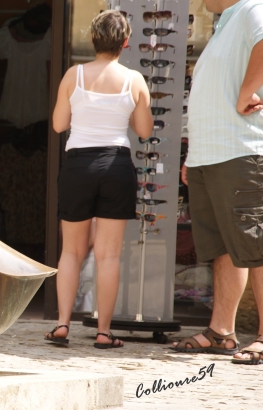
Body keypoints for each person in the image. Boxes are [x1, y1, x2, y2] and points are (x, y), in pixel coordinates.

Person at [45, 10, 152, 348]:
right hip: (116, 165)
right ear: (125, 42)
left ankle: (62, 324)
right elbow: (144, 130)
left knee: (71, 252)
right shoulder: (134, 79)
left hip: (78, 165)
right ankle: (104, 332)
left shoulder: (73, 75)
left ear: (93, 40)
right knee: (108, 255)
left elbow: (60, 125)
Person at [173, 0, 263, 365]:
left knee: (257, 247)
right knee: (225, 249)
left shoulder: (253, 8)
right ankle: (221, 331)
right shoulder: (225, 22)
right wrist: (194, 152)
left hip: (239, 151)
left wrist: (248, 90)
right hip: (210, 155)